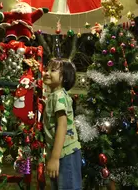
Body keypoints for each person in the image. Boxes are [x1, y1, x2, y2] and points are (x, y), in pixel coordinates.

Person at [43, 58, 82, 190]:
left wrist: (54, 158)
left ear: (64, 77)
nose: (46, 73)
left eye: (52, 70)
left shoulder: (59, 96)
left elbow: (62, 125)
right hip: (60, 152)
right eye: (46, 69)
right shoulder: (54, 96)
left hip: (65, 153)